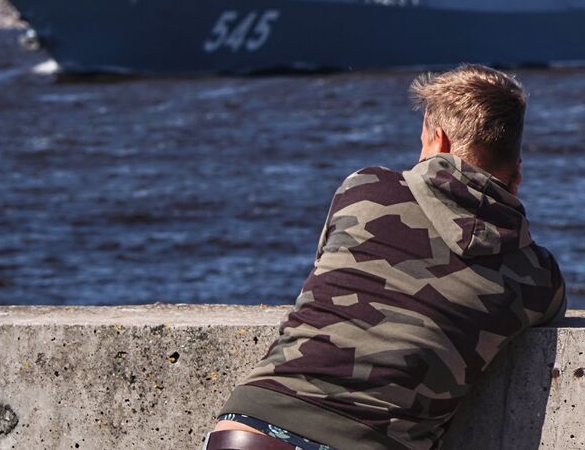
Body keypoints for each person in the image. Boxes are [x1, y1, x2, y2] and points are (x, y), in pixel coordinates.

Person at [206, 65, 565, 450]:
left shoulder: (365, 189)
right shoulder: (537, 277)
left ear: (439, 141)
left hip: (252, 426)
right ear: (518, 171)